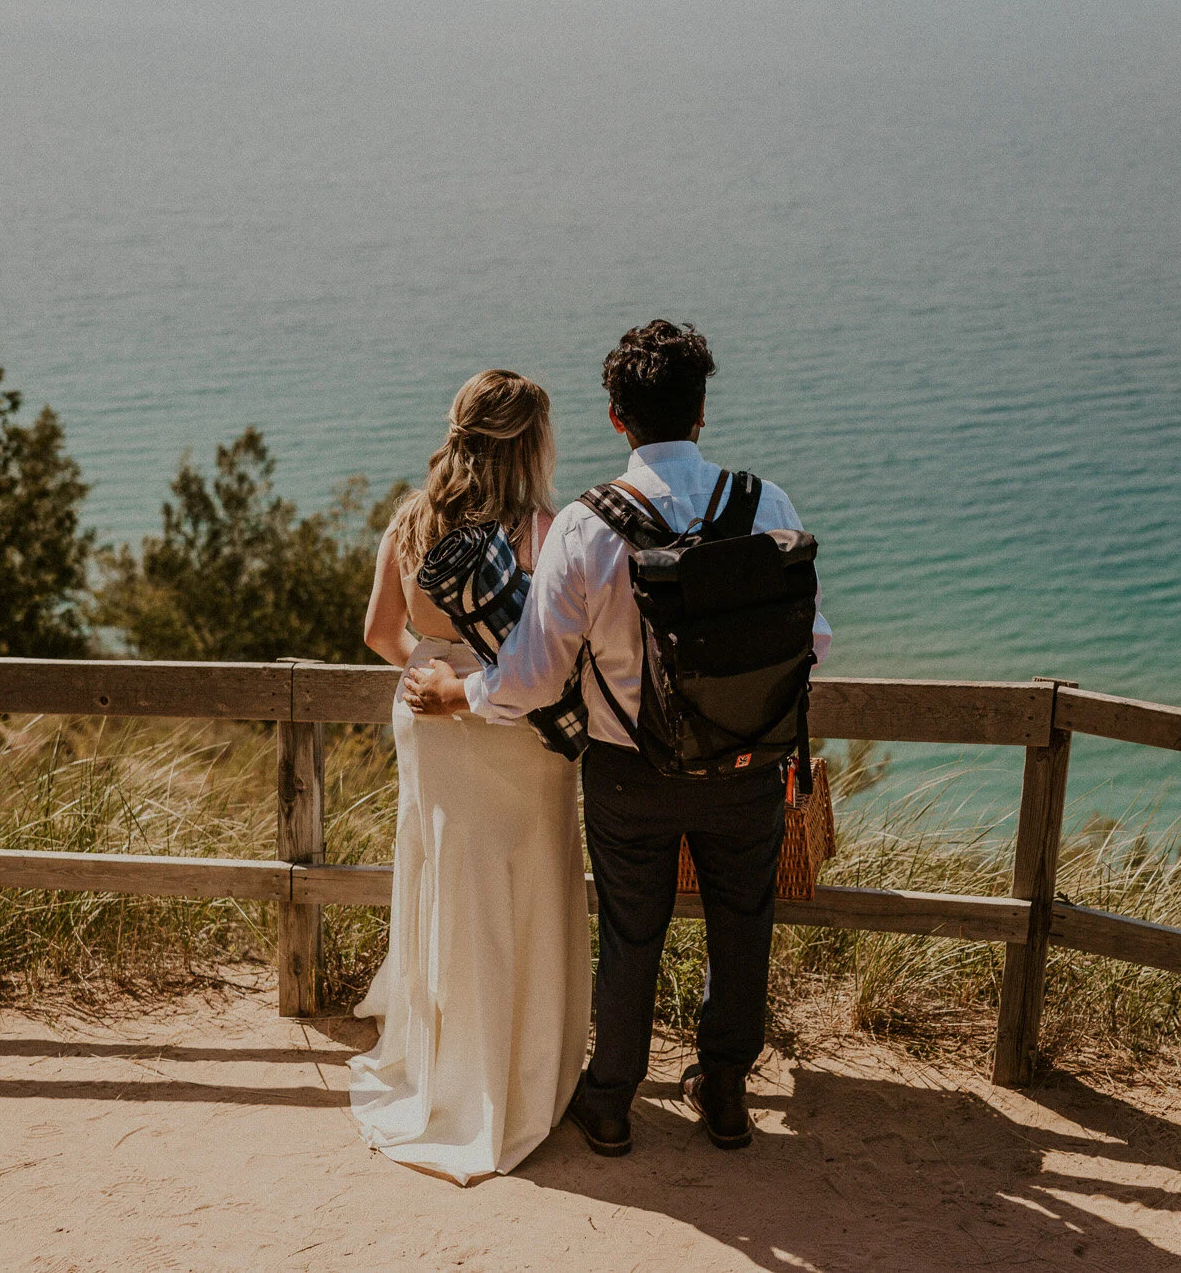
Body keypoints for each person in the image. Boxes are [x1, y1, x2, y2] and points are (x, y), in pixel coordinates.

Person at [407, 321, 832, 1157]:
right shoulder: (766, 504)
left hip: (629, 770)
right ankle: (726, 1091)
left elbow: (530, 676)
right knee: (743, 922)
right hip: (749, 767)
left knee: (631, 933)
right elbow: (811, 643)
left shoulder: (588, 525)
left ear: (615, 417)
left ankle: (610, 1100)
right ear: (703, 411)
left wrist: (460, 690)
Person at [348, 369, 591, 1185]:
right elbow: (561, 659)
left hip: (429, 721)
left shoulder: (408, 527)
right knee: (527, 888)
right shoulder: (545, 532)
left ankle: (443, 1064)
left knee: (446, 884)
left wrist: (429, 664)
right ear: (528, 446)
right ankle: (523, 1071)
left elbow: (381, 629)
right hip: (512, 729)